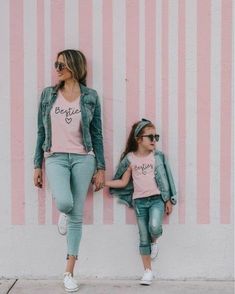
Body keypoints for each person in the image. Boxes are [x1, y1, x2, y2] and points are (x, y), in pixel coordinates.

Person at [33, 49, 105, 292]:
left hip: (84, 158)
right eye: (56, 64)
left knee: (76, 215)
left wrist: (101, 168)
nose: (58, 69)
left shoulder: (91, 97)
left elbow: (96, 134)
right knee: (65, 203)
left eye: (62, 65)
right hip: (55, 157)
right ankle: (63, 211)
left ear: (75, 67)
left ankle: (68, 271)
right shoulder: (47, 95)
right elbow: (41, 133)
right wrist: (37, 165)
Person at [105, 118, 176, 285]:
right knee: (143, 236)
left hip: (157, 199)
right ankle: (148, 271)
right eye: (150, 137)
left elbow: (169, 178)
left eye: (156, 137)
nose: (154, 140)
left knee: (155, 228)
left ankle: (155, 241)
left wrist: (170, 199)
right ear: (138, 139)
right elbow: (122, 182)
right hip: (139, 202)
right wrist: (104, 182)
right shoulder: (130, 159)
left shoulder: (158, 157)